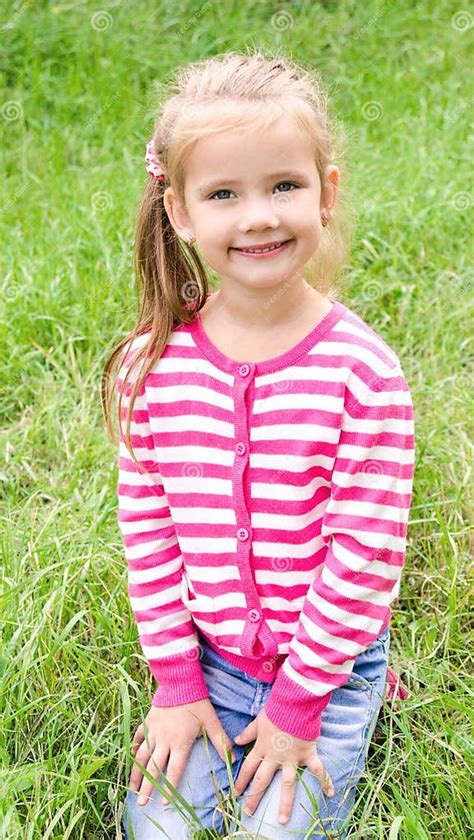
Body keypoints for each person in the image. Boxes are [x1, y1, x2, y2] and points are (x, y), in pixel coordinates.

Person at [102, 49, 415, 839]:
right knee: (157, 829)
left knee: (275, 833)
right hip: (210, 661)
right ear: (179, 212)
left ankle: (372, 696)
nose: (259, 216)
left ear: (326, 192)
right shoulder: (153, 369)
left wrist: (297, 709)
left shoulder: (362, 374)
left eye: (284, 185)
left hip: (327, 673)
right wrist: (176, 684)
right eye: (223, 194)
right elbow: (150, 533)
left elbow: (364, 555)